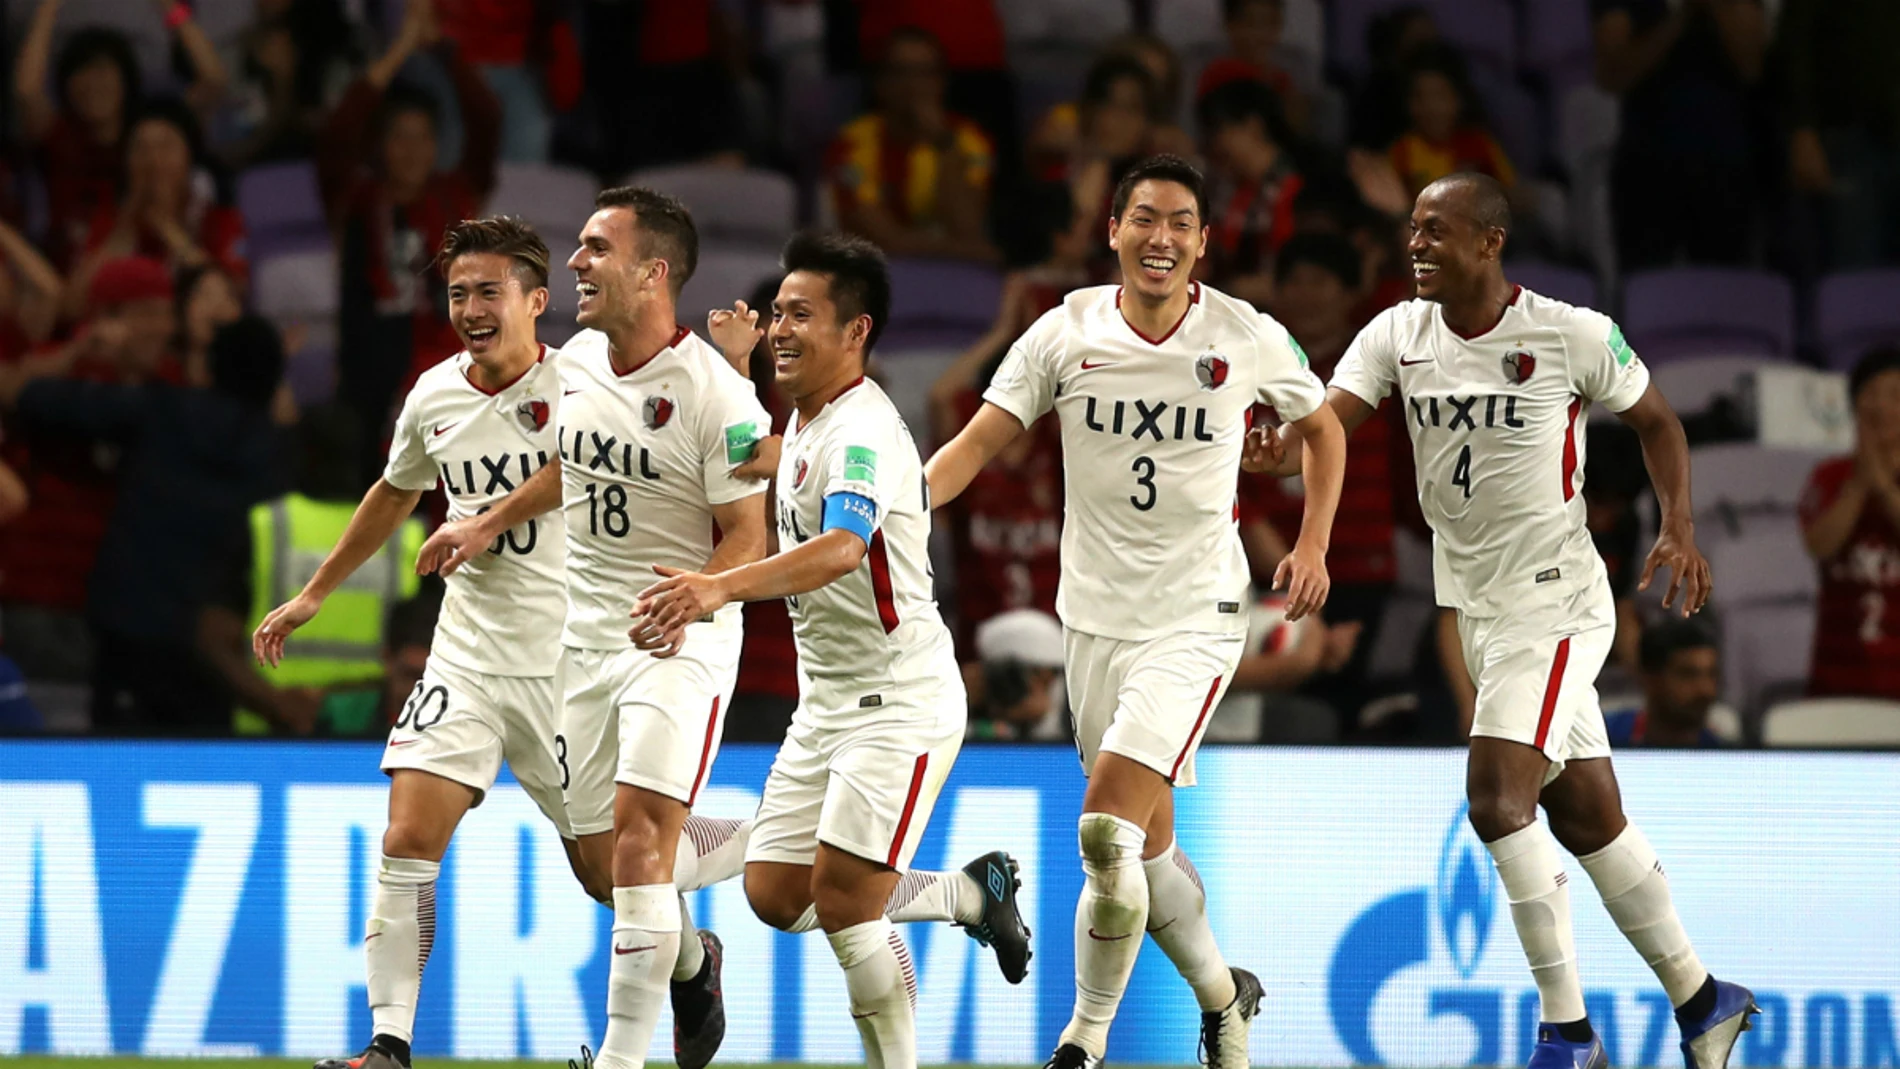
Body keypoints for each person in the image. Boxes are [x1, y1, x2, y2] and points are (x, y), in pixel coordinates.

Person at [1256, 173, 1755, 1069]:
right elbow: (1327, 426)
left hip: (1557, 601)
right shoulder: (1394, 335)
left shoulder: (1568, 333)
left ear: (1489, 242)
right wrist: (1279, 452)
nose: (1416, 244)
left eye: (1436, 230)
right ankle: (1704, 998)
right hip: (1476, 608)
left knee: (1494, 798)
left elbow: (1658, 421)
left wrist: (1678, 524)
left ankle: (1568, 1034)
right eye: (1411, 228)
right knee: (1588, 815)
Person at [252, 218, 741, 1069]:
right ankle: (389, 1045)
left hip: (567, 659)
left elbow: (609, 455)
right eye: (457, 294)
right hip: (469, 656)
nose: (471, 309)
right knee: (407, 834)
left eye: (489, 291)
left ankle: (696, 960)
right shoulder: (433, 396)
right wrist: (313, 594)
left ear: (535, 301)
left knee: (609, 873)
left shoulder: (580, 382)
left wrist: (487, 519)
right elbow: (393, 491)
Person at [925, 154, 1347, 1069]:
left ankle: (1083, 1040)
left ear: (1202, 242)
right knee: (1143, 854)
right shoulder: (1062, 332)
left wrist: (1312, 542)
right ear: (1112, 230)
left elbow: (1323, 428)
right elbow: (976, 445)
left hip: (1196, 616)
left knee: (1104, 828)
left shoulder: (1246, 334)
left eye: (1182, 223)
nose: (1162, 238)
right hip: (1092, 620)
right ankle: (1225, 998)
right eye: (1145, 219)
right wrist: (897, 509)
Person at [635, 232, 1034, 1069]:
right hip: (826, 703)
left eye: (800, 315)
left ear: (856, 331)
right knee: (777, 893)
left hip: (899, 701)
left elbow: (843, 548)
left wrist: (715, 587)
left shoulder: (863, 431)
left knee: (849, 903)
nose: (781, 327)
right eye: (777, 312)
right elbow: (762, 457)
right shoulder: (808, 419)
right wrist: (739, 371)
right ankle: (968, 893)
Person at [412, 190, 770, 1069]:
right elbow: (570, 462)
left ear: (652, 272)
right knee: (606, 867)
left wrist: (702, 593)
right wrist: (489, 520)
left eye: (593, 247)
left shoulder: (712, 392)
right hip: (585, 642)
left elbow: (750, 533)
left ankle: (617, 1059)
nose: (573, 262)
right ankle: (727, 901)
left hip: (679, 637)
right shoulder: (577, 362)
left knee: (644, 837)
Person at [13, 315, 289, 734]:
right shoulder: (280, 455)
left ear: (211, 366)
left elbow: (36, 398)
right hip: (214, 657)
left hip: (130, 631)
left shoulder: (164, 410)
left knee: (117, 773)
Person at [318, 0, 500, 482]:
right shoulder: (357, 197)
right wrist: (400, 48)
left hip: (447, 359)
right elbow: (338, 132)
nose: (412, 149)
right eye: (399, 137)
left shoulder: (456, 195)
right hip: (368, 363)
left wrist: (443, 50)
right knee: (372, 485)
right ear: (380, 145)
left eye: (424, 137)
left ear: (438, 145)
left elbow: (485, 120)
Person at [199, 405, 425, 737]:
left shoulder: (267, 525)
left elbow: (212, 637)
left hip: (281, 728)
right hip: (370, 733)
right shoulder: (406, 536)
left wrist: (281, 704)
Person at [13, 0, 226, 267]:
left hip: (156, 259)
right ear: (66, 88)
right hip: (75, 268)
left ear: (125, 79)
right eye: (82, 74)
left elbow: (213, 81)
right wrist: (48, 8)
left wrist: (170, 7)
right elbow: (27, 92)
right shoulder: (61, 137)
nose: (94, 84)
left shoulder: (148, 128)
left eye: (103, 71)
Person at [1592, 0, 1769, 269]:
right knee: (1644, 290)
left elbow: (1753, 67)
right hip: (1646, 167)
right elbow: (1612, 74)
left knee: (1725, 291)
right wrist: (1680, 17)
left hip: (1726, 167)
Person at [63, 98, 248, 320]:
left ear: (189, 157)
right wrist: (123, 234)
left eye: (165, 147)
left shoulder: (219, 218)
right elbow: (70, 308)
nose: (153, 161)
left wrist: (166, 226)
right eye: (141, 149)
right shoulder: (109, 221)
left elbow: (231, 299)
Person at [825, 26, 998, 263]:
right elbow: (886, 241)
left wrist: (941, 142)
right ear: (881, 83)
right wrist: (966, 250)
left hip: (954, 274)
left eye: (924, 73)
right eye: (901, 72)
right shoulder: (852, 144)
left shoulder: (968, 141)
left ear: (942, 82)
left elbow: (966, 227)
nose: (913, 84)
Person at [1799, 347, 1900, 700]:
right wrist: (1860, 484)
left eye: (1894, 396)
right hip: (1836, 679)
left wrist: (1885, 487)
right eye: (1870, 395)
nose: (1880, 407)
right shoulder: (1829, 477)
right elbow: (1819, 545)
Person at [1781, 0, 1900, 268]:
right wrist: (1803, 130)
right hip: (1848, 134)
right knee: (1855, 264)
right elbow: (1794, 42)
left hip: (1887, 130)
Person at [1199, 78, 1304, 309]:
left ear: (1253, 125)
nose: (1214, 146)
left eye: (1219, 132)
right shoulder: (1232, 191)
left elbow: (1285, 280)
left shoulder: (1297, 190)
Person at [1386, 48, 1515, 197]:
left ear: (1458, 100)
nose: (1430, 108)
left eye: (1439, 96)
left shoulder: (1480, 145)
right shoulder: (1401, 153)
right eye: (1419, 97)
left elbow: (1512, 195)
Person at [1605, 620, 1724, 748]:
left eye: (1712, 674)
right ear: (1650, 679)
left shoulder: (1720, 749)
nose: (1705, 690)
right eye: (1687, 674)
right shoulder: (1603, 737)